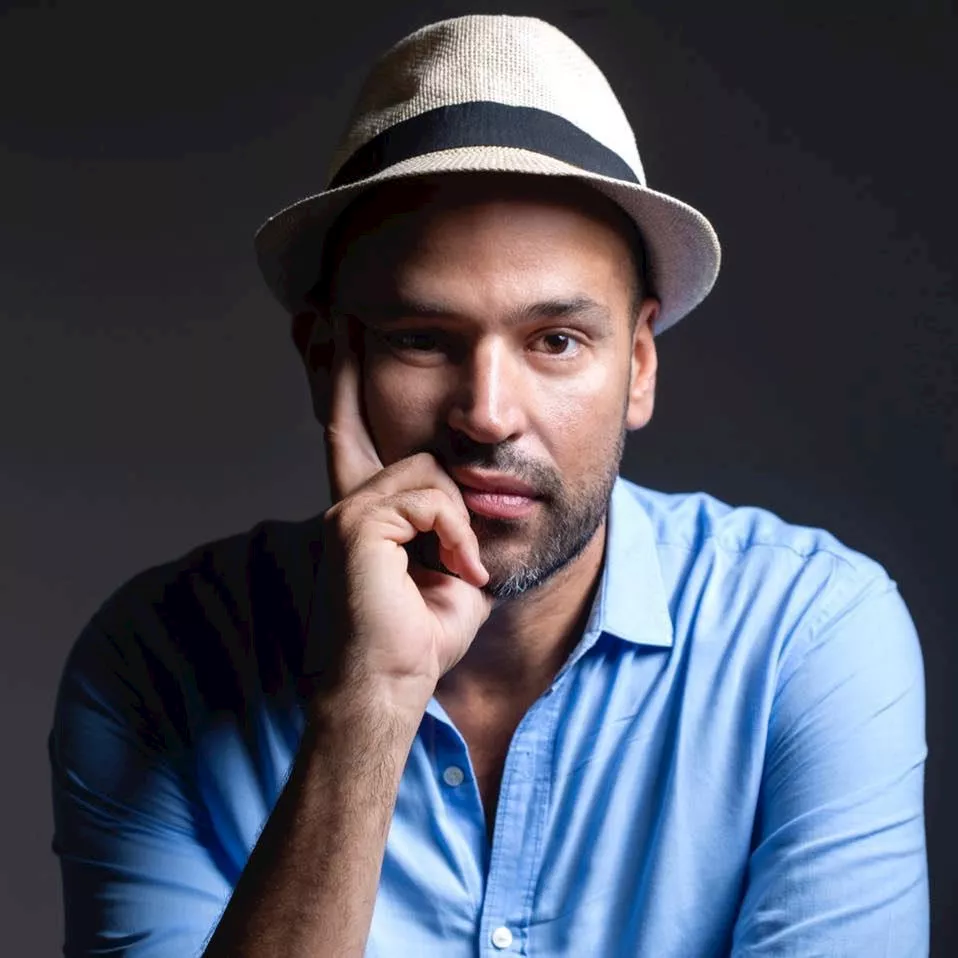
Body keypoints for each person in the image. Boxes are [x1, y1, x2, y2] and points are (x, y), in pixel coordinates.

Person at [48, 14, 929, 958]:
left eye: (556, 340)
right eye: (421, 339)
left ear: (639, 365)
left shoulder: (807, 635)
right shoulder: (156, 666)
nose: (488, 414)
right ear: (327, 361)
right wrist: (373, 700)